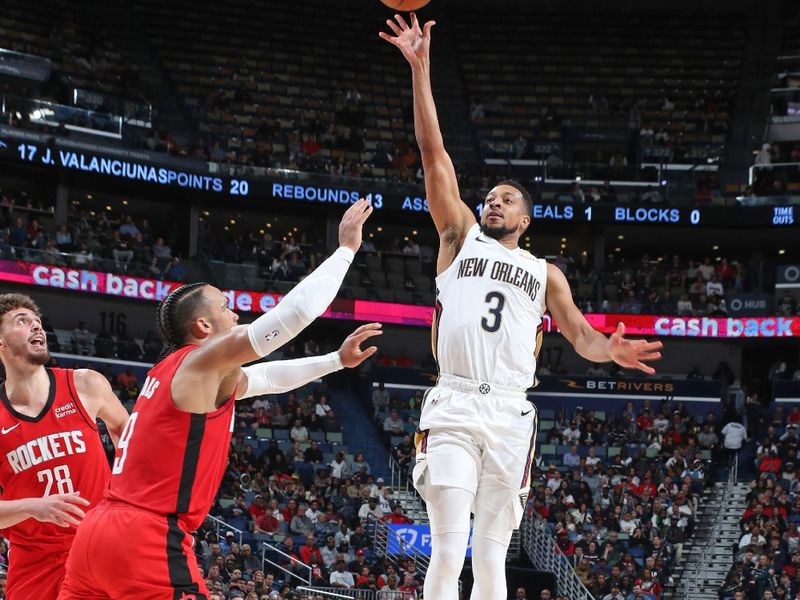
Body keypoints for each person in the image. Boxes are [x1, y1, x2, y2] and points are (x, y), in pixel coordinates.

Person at [380, 16, 664, 600]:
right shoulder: (459, 236)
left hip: (511, 414)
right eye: (489, 197)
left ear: (526, 218)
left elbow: (581, 337)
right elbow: (432, 151)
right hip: (456, 401)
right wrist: (420, 69)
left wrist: (606, 349)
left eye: (506, 199)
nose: (493, 202)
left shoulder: (545, 273)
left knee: (490, 558)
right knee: (449, 542)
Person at [58, 199, 377, 598]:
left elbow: (264, 378)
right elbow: (295, 314)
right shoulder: (200, 361)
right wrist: (346, 250)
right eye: (227, 308)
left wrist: (335, 360)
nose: (236, 315)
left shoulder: (183, 373)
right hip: (144, 537)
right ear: (203, 325)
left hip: (96, 535)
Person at [0, 293, 129, 599]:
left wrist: (127, 497)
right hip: (34, 561)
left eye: (38, 322)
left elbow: (126, 433)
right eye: (22, 321)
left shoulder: (85, 385)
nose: (36, 327)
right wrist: (33, 507)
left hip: (98, 547)